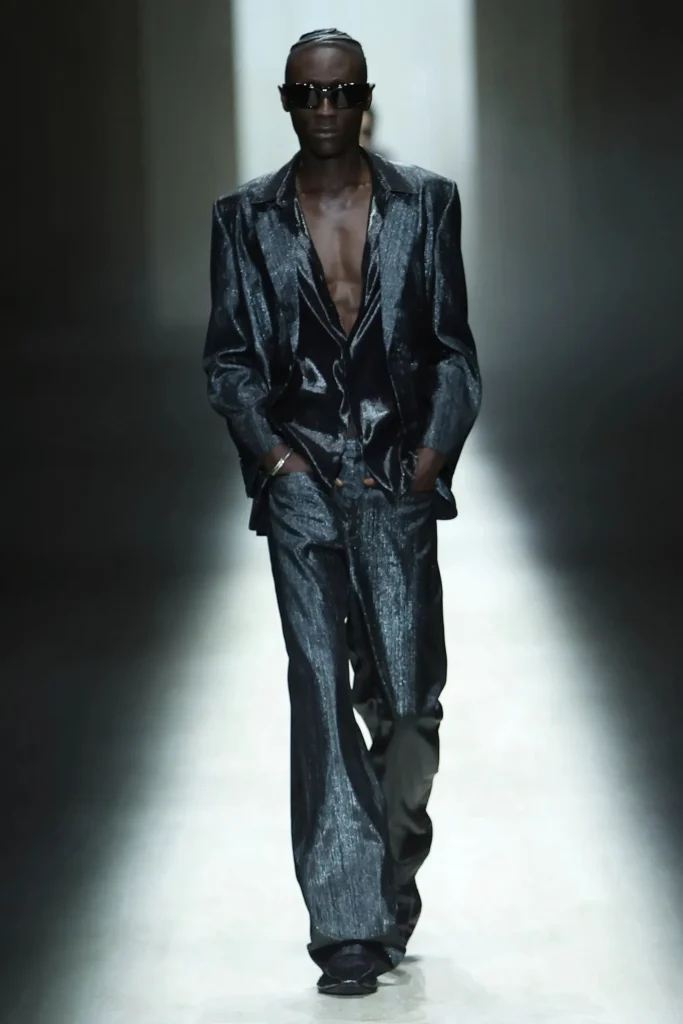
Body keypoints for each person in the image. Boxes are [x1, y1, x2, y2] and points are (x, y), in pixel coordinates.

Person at [203, 28, 481, 997]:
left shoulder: (425, 205)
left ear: (364, 97)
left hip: (396, 483)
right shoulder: (244, 220)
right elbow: (228, 360)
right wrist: (273, 458)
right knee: (319, 695)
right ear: (287, 101)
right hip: (302, 486)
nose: (324, 109)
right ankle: (347, 928)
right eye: (307, 94)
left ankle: (388, 881)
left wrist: (431, 453)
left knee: (407, 709)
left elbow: (452, 349)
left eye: (340, 92)